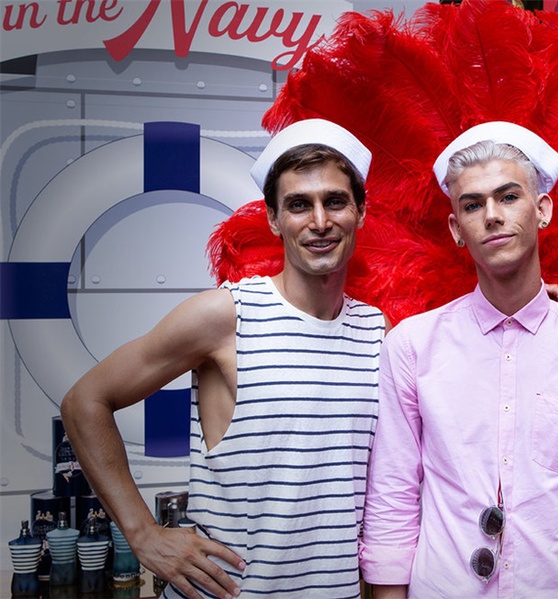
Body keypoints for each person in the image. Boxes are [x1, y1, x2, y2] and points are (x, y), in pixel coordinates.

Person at [61, 119, 388, 599]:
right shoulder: (226, 314)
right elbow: (85, 401)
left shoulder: (379, 331)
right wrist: (143, 533)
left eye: (335, 201)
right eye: (299, 204)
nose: (319, 222)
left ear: (360, 211)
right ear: (274, 219)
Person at [359, 121, 558, 598]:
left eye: (509, 197)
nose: (492, 216)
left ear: (542, 210)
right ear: (456, 229)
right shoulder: (412, 346)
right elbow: (393, 491)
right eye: (472, 205)